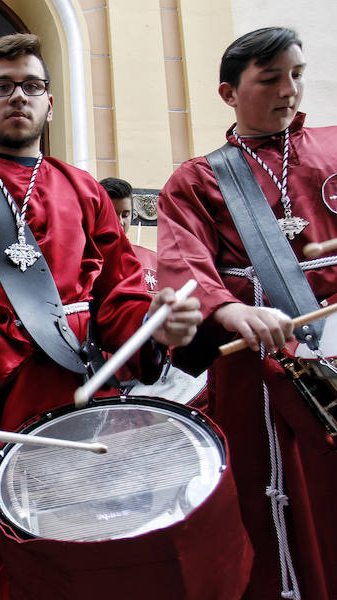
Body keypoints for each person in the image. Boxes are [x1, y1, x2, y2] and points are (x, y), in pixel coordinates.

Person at [0, 33, 202, 599]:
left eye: (31, 86)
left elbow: (118, 296)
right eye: (2, 87)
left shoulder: (83, 192)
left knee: (58, 549)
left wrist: (153, 327)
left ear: (49, 102)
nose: (18, 96)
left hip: (64, 390)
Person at [157, 27, 337, 600]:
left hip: (330, 347)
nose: (290, 91)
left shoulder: (334, 148)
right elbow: (183, 260)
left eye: (297, 75)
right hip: (253, 366)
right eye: (270, 78)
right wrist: (229, 309)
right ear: (228, 93)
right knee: (267, 500)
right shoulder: (198, 178)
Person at [100, 176, 158, 293]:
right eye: (112, 214)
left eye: (125, 215)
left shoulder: (152, 260)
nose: (120, 222)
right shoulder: (89, 261)